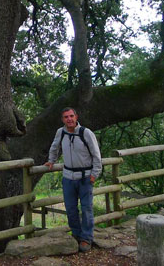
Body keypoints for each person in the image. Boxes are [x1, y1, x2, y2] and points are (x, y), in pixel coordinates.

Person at [44, 107, 102, 253]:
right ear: (62, 119)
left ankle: (86, 238)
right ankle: (76, 234)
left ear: (76, 117)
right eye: (65, 117)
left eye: (71, 116)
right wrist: (51, 160)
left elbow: (96, 155)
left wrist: (95, 174)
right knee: (70, 209)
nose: (69, 119)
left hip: (85, 178)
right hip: (68, 177)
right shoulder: (61, 132)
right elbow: (54, 147)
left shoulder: (86, 133)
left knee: (86, 209)